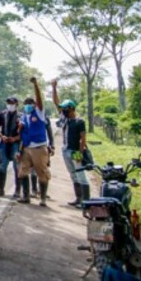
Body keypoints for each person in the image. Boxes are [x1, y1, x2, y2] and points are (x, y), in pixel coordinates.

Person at [51, 79, 90, 207]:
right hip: (66, 150)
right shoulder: (64, 118)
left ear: (72, 108)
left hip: (75, 151)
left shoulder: (79, 121)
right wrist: (54, 88)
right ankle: (78, 198)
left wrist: (80, 152)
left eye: (66, 108)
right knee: (73, 175)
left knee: (81, 175)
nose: (64, 110)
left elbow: (83, 139)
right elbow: (56, 102)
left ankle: (86, 201)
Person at [17, 77, 52, 206]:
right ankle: (26, 196)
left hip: (39, 148)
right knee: (22, 172)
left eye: (30, 103)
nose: (27, 105)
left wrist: (36, 84)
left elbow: (39, 100)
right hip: (26, 148)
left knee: (42, 173)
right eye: (26, 104)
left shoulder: (39, 113)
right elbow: (20, 134)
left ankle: (42, 198)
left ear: (34, 105)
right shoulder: (24, 117)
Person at [0, 96, 23, 197]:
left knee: (17, 167)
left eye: (12, 103)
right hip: (4, 143)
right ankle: (1, 189)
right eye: (8, 103)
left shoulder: (21, 116)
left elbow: (24, 132)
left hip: (15, 144)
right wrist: (2, 136)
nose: (10, 105)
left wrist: (15, 138)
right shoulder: (2, 114)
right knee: (2, 166)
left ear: (16, 105)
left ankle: (18, 190)